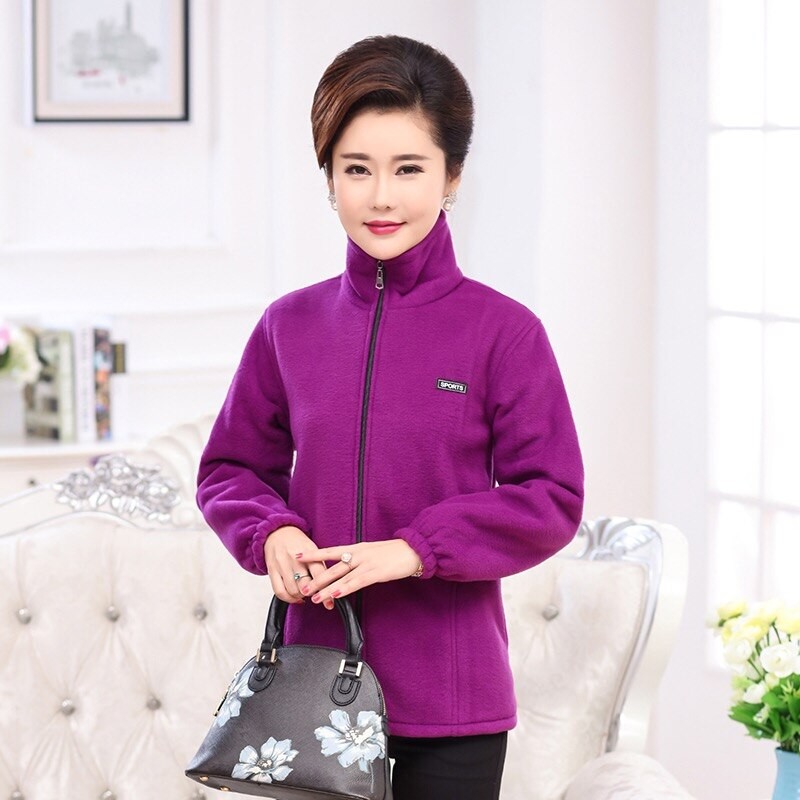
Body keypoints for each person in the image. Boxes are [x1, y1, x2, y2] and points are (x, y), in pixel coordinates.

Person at [196, 33, 584, 800]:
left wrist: (414, 550)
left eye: (408, 168)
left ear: (452, 176)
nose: (381, 197)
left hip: (454, 703)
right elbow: (229, 469)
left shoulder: (504, 333)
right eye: (356, 169)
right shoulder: (288, 326)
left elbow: (550, 497)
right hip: (310, 689)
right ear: (328, 179)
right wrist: (270, 531)